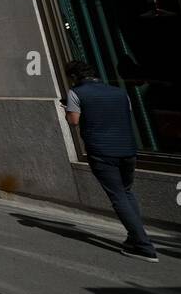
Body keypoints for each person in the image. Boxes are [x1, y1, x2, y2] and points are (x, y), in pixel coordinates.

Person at [62, 60, 158, 261]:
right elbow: (124, 114)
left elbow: (73, 121)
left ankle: (144, 246)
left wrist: (66, 109)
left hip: (102, 151)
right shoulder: (119, 92)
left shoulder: (76, 93)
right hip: (127, 149)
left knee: (118, 197)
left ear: (73, 76)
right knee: (126, 192)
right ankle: (134, 237)